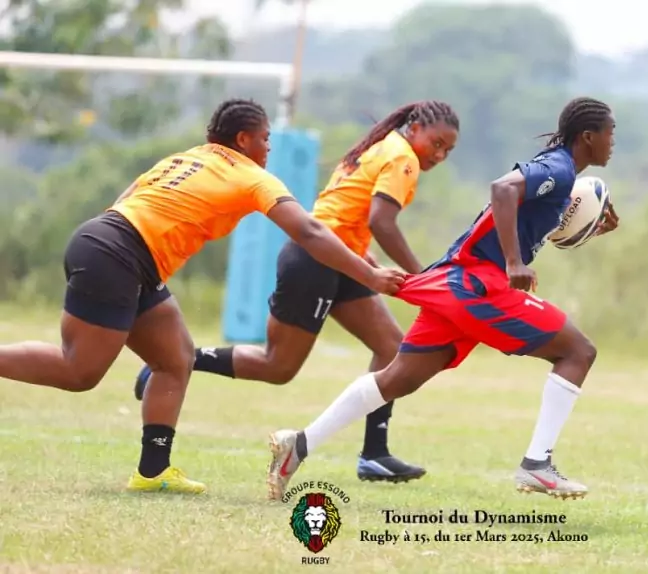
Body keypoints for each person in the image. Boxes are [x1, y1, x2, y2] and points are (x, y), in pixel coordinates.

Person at [0, 98, 404, 495]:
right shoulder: (252, 176)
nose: (269, 148)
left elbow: (127, 198)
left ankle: (153, 471)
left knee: (175, 358)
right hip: (119, 254)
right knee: (79, 372)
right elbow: (310, 232)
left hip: (110, 242)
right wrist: (369, 273)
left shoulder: (185, 158)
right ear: (244, 139)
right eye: (265, 139)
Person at [266, 96, 620, 501]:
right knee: (579, 351)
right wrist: (513, 262)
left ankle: (299, 444)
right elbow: (503, 189)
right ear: (589, 136)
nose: (613, 141)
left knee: (398, 379)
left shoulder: (557, 171)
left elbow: (528, 218)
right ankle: (537, 464)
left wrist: (589, 228)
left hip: (460, 284)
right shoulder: (557, 167)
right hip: (477, 285)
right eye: (611, 133)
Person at [132, 100, 460, 483]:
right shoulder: (400, 156)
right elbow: (381, 221)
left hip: (342, 258)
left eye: (447, 150)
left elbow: (343, 212)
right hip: (316, 260)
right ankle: (184, 359)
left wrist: (366, 257)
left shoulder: (381, 146)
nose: (438, 155)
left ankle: (374, 454)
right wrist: (426, 277)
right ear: (416, 127)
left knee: (391, 348)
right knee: (278, 367)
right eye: (436, 143)